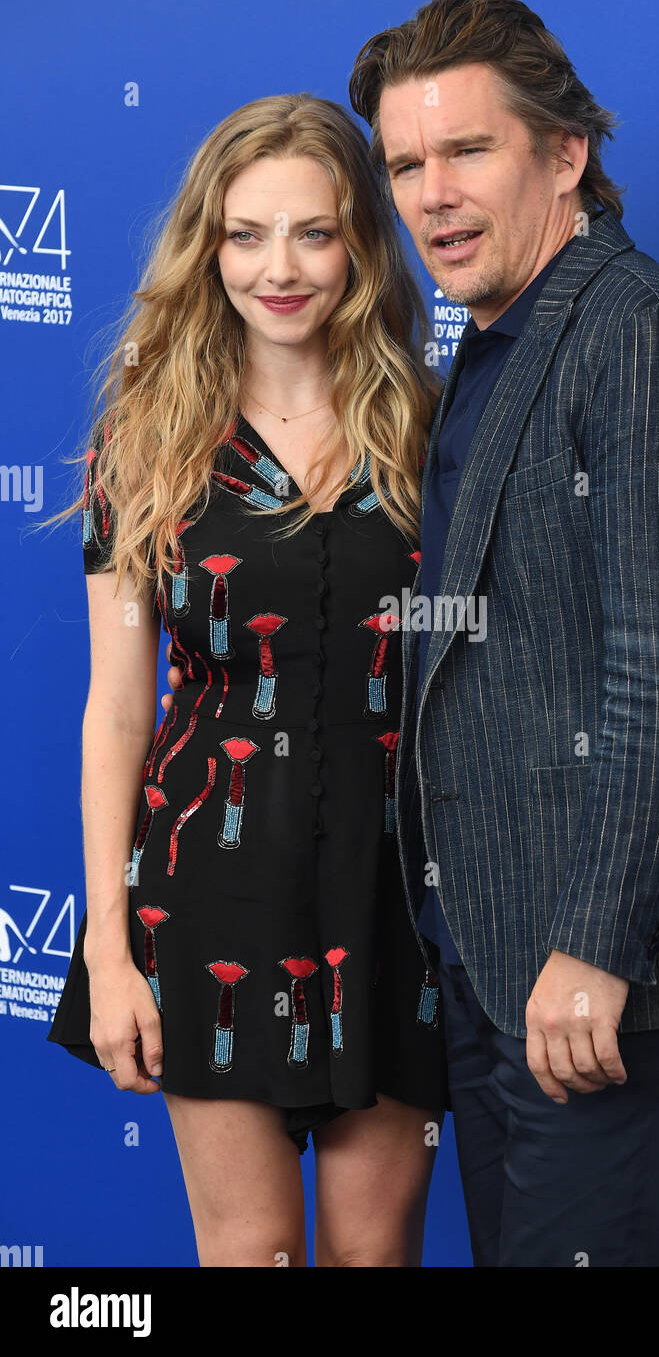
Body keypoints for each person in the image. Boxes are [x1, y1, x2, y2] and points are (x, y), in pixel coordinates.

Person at [342, 0, 659, 1265]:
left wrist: (596, 946)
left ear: (566, 153)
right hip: (499, 949)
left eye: (466, 149)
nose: (430, 192)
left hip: (598, 963)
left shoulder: (645, 333)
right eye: (403, 163)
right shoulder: (494, 346)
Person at [45, 94, 449, 1268]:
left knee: (373, 1260)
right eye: (246, 234)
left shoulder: (432, 432)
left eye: (313, 233)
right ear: (206, 247)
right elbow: (117, 710)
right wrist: (110, 958)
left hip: (396, 906)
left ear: (360, 247)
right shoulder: (147, 440)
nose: (280, 268)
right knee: (254, 1259)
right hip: (206, 893)